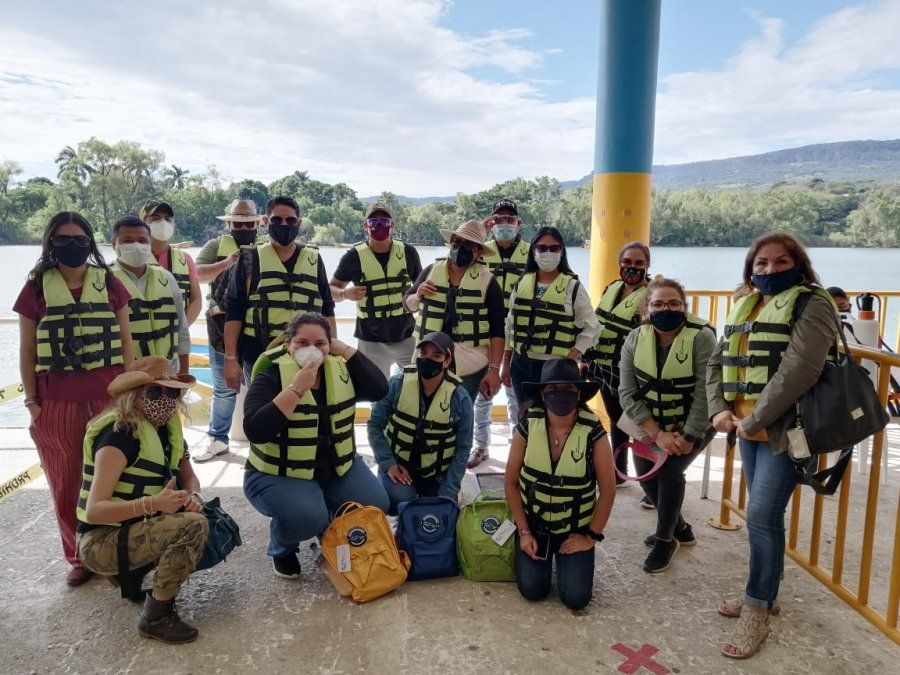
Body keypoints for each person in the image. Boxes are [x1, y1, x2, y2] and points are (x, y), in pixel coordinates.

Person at [707, 232, 839, 659]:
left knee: (762, 515)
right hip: (746, 429)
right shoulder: (747, 303)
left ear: (798, 264)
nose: (769, 270)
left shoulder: (814, 304)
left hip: (786, 432)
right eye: (761, 264)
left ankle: (757, 610)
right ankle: (767, 594)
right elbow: (718, 360)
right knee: (765, 519)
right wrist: (718, 411)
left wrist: (754, 420)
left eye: (781, 262)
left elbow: (800, 370)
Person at [15, 211, 133, 586]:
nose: (72, 245)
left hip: (108, 399)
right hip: (57, 403)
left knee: (113, 478)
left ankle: (117, 551)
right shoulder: (36, 289)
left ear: (91, 243)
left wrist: (127, 393)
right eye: (63, 239)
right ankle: (79, 556)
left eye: (80, 239)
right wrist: (32, 403)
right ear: (50, 243)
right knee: (65, 482)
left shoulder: (110, 283)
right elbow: (27, 350)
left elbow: (128, 341)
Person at [242, 312, 389, 579]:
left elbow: (380, 389)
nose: (311, 350)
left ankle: (329, 527)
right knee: (307, 516)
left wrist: (343, 348)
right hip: (279, 473)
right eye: (302, 342)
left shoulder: (339, 369)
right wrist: (296, 389)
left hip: (334, 468)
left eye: (320, 343)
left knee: (375, 503)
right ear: (289, 343)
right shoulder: (273, 373)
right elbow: (255, 430)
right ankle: (282, 548)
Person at [75, 356, 208, 644]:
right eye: (155, 392)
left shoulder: (168, 433)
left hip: (137, 525)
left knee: (210, 522)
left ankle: (133, 576)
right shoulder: (119, 436)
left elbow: (190, 478)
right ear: (133, 396)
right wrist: (153, 505)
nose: (166, 400)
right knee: (193, 527)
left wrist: (193, 496)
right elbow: (94, 510)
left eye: (173, 392)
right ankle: (156, 616)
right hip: (100, 539)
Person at [618, 278, 716, 573]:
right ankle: (681, 528)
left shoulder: (702, 338)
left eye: (674, 303)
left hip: (693, 423)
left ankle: (665, 538)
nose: (666, 309)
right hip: (650, 423)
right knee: (646, 477)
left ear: (684, 307)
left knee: (671, 473)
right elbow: (627, 391)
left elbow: (706, 391)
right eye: (658, 304)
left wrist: (689, 435)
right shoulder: (635, 338)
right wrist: (656, 433)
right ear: (646, 309)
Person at [503, 359, 615, 610]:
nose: (560, 394)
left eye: (568, 388)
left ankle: (569, 561)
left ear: (578, 393)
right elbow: (510, 482)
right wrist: (523, 532)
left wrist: (590, 536)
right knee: (532, 590)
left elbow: (608, 490)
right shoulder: (528, 425)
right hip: (534, 526)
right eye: (553, 389)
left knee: (576, 599)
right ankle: (534, 555)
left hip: (574, 528)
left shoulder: (593, 431)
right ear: (543, 393)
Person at [223, 196, 336, 391]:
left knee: (306, 413)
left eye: (290, 220)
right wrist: (230, 359)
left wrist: (332, 353)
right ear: (266, 222)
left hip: (309, 354)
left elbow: (327, 307)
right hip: (260, 353)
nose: (284, 225)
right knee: (263, 414)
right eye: (277, 220)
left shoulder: (314, 259)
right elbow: (234, 310)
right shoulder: (250, 259)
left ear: (298, 223)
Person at [368, 331, 473, 512]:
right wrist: (388, 464)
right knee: (399, 500)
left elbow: (463, 447)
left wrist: (448, 490)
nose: (427, 359)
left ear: (447, 361)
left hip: (437, 475)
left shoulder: (460, 398)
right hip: (399, 467)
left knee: (437, 512)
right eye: (423, 353)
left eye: (436, 355)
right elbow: (374, 425)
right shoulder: (396, 384)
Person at [193, 198, 265, 462]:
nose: (244, 228)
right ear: (230, 224)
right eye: (238, 223)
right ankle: (218, 439)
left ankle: (264, 441)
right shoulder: (215, 246)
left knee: (261, 384)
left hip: (257, 326)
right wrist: (228, 263)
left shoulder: (267, 248)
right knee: (224, 386)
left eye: (249, 224)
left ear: (258, 224)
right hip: (222, 323)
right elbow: (197, 274)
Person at [404, 220, 505, 406]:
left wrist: (494, 370)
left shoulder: (488, 282)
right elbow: (408, 305)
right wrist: (418, 295)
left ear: (480, 252)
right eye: (457, 242)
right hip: (426, 356)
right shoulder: (431, 271)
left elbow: (498, 331)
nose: (461, 248)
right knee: (421, 409)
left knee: (461, 415)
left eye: (469, 245)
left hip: (470, 363)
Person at [503, 226, 601, 409]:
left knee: (556, 418)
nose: (548, 252)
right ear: (533, 251)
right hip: (521, 364)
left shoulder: (573, 288)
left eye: (554, 248)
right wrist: (505, 363)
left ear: (562, 252)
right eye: (542, 248)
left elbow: (592, 327)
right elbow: (510, 325)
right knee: (525, 417)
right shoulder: (521, 283)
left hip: (557, 368)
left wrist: (571, 357)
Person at [468, 199, 530, 468]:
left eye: (509, 219)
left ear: (518, 223)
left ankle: (519, 446)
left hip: (520, 333)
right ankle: (481, 445)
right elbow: (454, 262)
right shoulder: (480, 251)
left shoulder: (531, 253)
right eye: (498, 219)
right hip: (486, 331)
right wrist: (480, 231)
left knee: (516, 395)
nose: (504, 223)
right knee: (484, 394)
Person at [330, 201, 422, 377]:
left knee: (414, 387)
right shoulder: (353, 257)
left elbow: (420, 288)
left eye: (384, 221)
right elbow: (331, 289)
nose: (379, 225)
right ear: (366, 225)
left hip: (407, 335)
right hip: (370, 339)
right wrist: (344, 294)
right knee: (378, 393)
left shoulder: (408, 252)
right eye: (373, 222)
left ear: (392, 225)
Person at [588, 241, 652, 490]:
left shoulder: (649, 296)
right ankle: (619, 472)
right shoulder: (612, 288)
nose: (632, 268)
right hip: (604, 368)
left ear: (647, 265)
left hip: (630, 372)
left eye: (638, 263)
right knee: (616, 421)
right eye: (627, 262)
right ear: (619, 264)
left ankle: (651, 482)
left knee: (641, 426)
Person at [110, 215, 191, 375]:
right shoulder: (106, 281)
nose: (136, 245)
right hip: (124, 375)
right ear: (114, 245)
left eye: (142, 240)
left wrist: (184, 374)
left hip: (168, 373)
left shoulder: (167, 278)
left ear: (150, 244)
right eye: (127, 240)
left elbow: (181, 328)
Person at [140, 200, 202, 326]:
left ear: (174, 225)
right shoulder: (132, 257)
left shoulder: (185, 259)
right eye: (155, 218)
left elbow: (196, 300)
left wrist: (181, 329)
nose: (163, 223)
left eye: (167, 219)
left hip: (176, 336)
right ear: (142, 224)